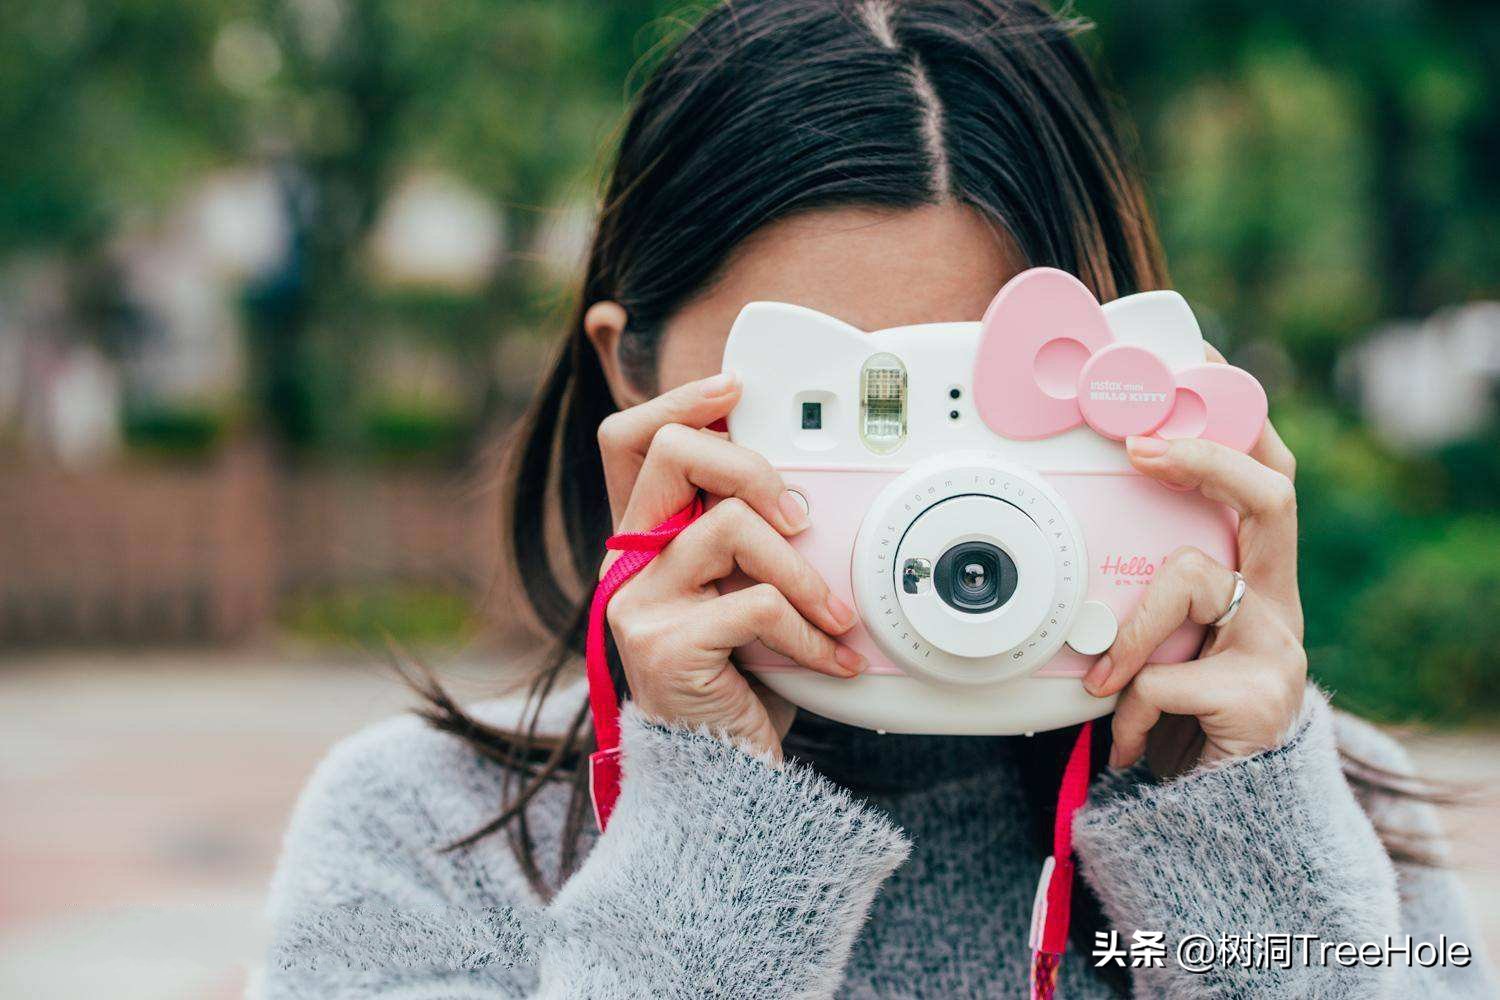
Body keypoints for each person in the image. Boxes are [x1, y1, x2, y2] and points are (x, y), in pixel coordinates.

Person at [264, 1, 1494, 996]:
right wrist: (713, 826)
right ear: (626, 375)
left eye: (979, 404)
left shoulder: (1313, 805)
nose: (930, 503)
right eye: (838, 414)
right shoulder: (425, 827)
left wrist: (1230, 828)